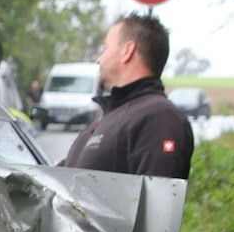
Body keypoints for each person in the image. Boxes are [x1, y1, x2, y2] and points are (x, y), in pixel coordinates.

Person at [61, 13, 194, 180]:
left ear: (128, 51)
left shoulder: (158, 118)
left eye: (105, 48)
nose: (98, 59)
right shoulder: (113, 116)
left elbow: (158, 203)